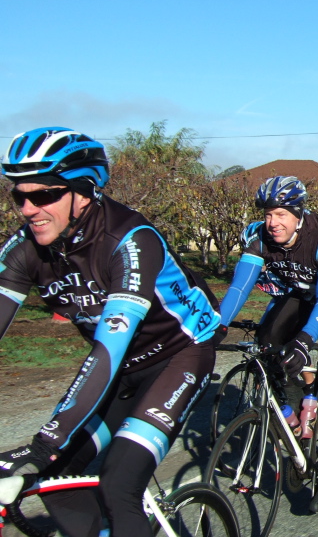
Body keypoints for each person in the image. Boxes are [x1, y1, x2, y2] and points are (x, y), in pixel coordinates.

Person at [0, 127, 220, 537]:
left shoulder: (131, 240)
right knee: (55, 481)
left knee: (119, 483)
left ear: (83, 192)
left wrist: (45, 442)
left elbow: (108, 348)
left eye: (43, 195)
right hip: (121, 369)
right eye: (19, 196)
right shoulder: (24, 248)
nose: (28, 209)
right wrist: (49, 453)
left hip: (178, 356)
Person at [215, 175, 318, 513]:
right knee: (266, 340)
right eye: (268, 214)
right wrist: (217, 325)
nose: (273, 223)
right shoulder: (259, 237)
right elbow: (239, 288)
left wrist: (303, 341)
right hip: (300, 293)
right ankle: (291, 408)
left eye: (281, 214)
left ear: (298, 215)